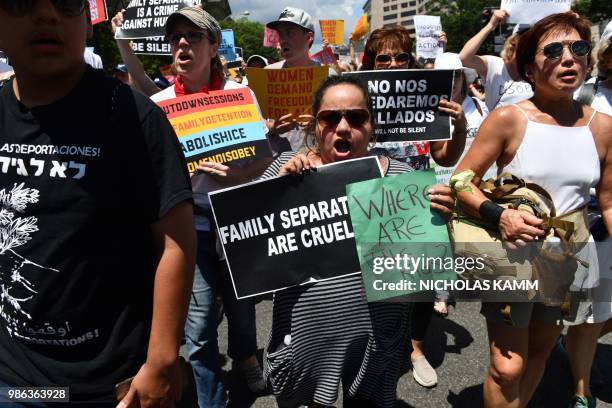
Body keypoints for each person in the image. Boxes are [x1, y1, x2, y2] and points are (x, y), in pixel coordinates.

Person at [0, 1, 196, 406]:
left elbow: (175, 240)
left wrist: (161, 360)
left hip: (108, 386)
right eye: (22, 2)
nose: (47, 15)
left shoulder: (133, 116)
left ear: (87, 25)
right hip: (13, 381)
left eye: (68, 3)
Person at [262, 74, 455, 407]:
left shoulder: (400, 178)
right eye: (330, 117)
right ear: (315, 124)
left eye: (356, 117)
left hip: (376, 338)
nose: (342, 126)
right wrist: (277, 193)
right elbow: (243, 253)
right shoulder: (286, 169)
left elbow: (427, 269)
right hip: (305, 336)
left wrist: (440, 222)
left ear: (372, 124)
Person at [453, 12, 612, 408]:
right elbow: (460, 181)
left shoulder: (603, 127)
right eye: (553, 50)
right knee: (506, 366)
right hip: (512, 253)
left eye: (578, 49)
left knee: (541, 349)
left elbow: (608, 201)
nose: (568, 59)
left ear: (589, 62)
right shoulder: (509, 118)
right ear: (528, 67)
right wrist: (498, 214)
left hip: (569, 253)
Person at [147, 6, 274, 405]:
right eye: (175, 38)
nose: (182, 44)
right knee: (198, 326)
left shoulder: (241, 95)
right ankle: (210, 399)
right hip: (190, 227)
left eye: (193, 36)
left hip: (236, 222)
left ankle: (246, 358)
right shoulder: (160, 104)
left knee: (242, 308)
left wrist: (234, 177)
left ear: (214, 45)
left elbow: (264, 158)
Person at [360, 26, 469, 388]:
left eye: (401, 57)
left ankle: (416, 348)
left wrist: (459, 126)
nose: (393, 63)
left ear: (412, 61)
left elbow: (443, 155)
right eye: (384, 58)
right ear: (370, 64)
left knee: (422, 283)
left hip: (417, 201)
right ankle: (375, 346)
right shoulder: (358, 101)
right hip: (371, 202)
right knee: (375, 281)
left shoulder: (426, 100)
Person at [265, 7, 327, 151]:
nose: (283, 39)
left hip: (316, 158)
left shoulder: (328, 76)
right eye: (280, 34)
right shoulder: (267, 74)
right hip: (278, 162)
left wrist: (319, 122)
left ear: (309, 37)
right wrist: (272, 127)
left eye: (290, 33)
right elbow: (255, 120)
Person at [460, 10, 534, 111]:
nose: (529, 41)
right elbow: (464, 59)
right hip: (498, 125)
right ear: (513, 40)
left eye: (534, 37)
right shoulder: (494, 65)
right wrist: (491, 25)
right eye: (524, 36)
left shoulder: (538, 70)